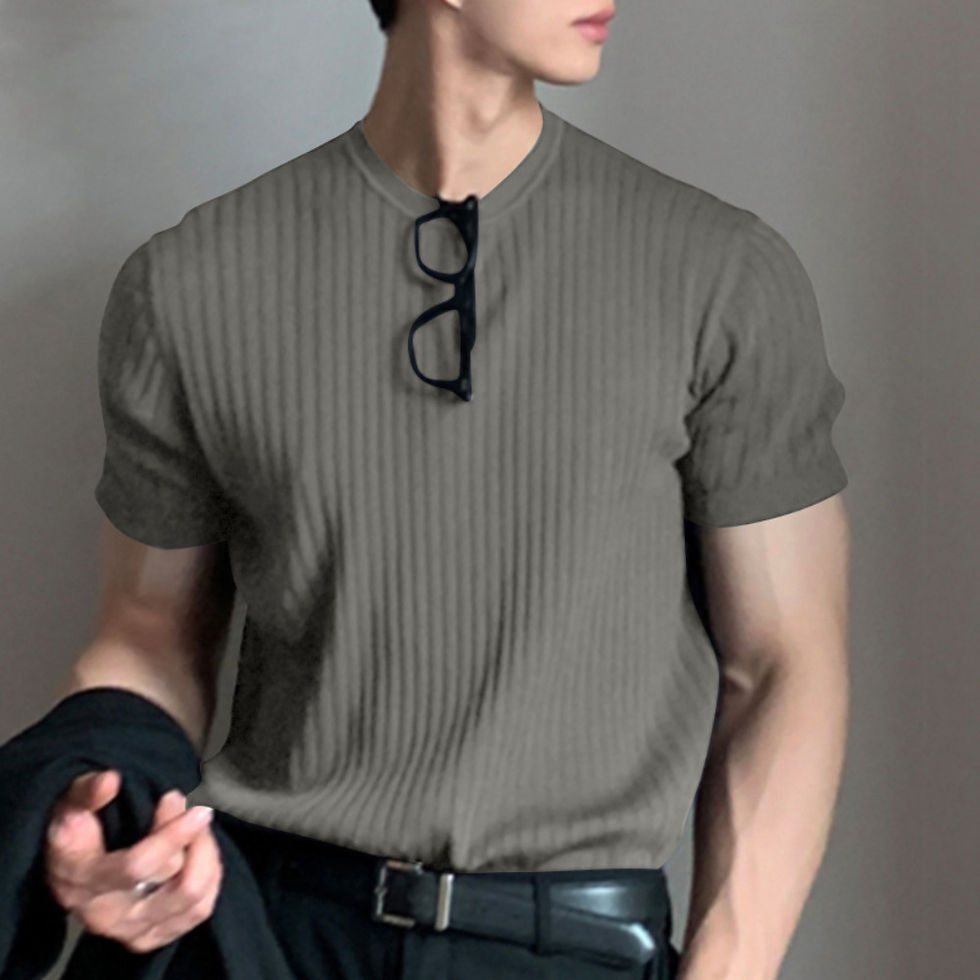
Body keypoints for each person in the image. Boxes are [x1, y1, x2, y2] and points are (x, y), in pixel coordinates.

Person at [40, 0, 852, 978]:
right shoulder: (187, 284)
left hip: (567, 947)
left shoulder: (721, 275)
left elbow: (784, 662)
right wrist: (108, 821)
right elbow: (149, 635)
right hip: (270, 933)